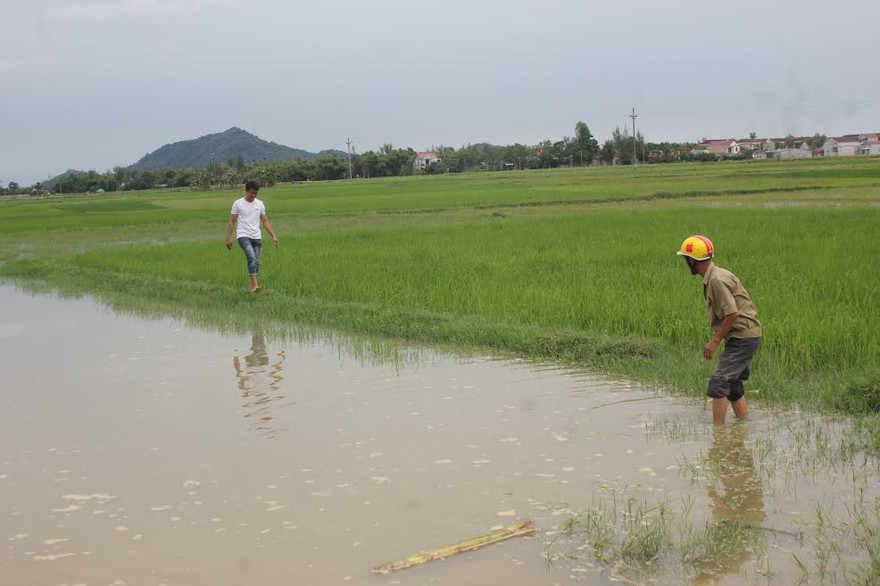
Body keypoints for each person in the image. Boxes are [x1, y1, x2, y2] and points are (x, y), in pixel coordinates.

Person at [677, 235, 762, 424]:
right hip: (745, 335)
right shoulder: (715, 276)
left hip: (743, 337)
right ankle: (742, 426)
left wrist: (715, 341)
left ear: (692, 260)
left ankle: (719, 437)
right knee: (733, 384)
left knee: (719, 382)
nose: (685, 263)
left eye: (685, 259)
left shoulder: (716, 280)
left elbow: (732, 314)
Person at [225, 181, 279, 292]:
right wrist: (228, 238)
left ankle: (251, 287)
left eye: (255, 193)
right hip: (243, 235)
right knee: (252, 257)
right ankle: (255, 286)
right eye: (251, 193)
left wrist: (273, 236)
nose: (253, 196)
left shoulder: (260, 204)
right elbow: (232, 221)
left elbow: (265, 221)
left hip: (257, 236)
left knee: (256, 261)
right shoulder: (238, 203)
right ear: (246, 191)